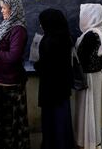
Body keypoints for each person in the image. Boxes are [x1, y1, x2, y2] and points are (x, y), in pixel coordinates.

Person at [0, 0, 30, 149]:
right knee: (1, 125)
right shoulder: (5, 26)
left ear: (13, 8)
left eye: (4, 8)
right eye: (1, 8)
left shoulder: (18, 30)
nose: (2, 11)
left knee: (10, 126)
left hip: (10, 85)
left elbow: (13, 56)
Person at [34, 8, 74, 149]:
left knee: (52, 119)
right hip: (62, 86)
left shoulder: (49, 40)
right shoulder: (65, 36)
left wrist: (37, 65)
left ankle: (52, 144)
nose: (40, 25)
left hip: (50, 87)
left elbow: (46, 64)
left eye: (42, 22)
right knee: (62, 118)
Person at [74, 3, 102, 149]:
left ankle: (87, 142)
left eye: (85, 15)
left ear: (92, 17)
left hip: (88, 77)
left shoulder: (91, 35)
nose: (82, 18)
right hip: (95, 75)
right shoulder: (101, 32)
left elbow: (81, 57)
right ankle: (92, 140)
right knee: (92, 109)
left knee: (87, 108)